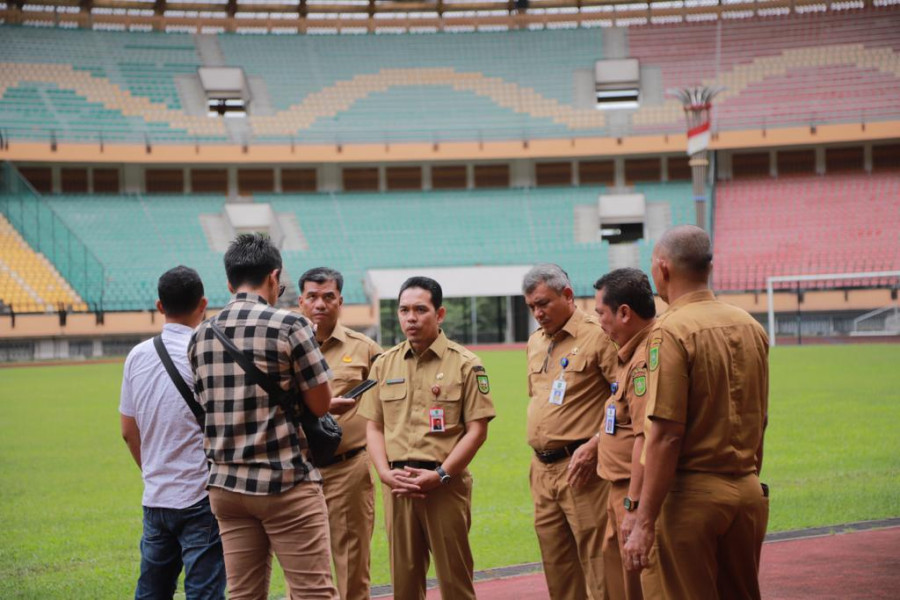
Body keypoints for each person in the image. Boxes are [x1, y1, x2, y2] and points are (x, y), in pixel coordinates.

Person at [188, 233, 339, 600]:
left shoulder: (201, 335)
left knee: (242, 593)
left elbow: (206, 406)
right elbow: (321, 404)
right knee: (313, 593)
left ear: (228, 281)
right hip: (284, 480)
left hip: (226, 486)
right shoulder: (291, 325)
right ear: (274, 277)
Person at [622, 225, 769, 600]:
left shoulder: (670, 331)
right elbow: (761, 419)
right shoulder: (750, 325)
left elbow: (666, 434)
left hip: (691, 498)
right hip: (747, 490)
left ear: (663, 269)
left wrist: (644, 519)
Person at [358, 276, 495, 600]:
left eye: (420, 309)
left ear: (440, 313)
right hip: (400, 486)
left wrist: (442, 474)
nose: (411, 317)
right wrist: (384, 473)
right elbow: (373, 426)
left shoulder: (466, 364)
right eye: (404, 310)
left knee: (455, 581)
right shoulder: (384, 364)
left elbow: (478, 430)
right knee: (403, 584)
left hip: (444, 485)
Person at [119, 265, 226, 600]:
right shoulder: (207, 353)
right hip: (201, 495)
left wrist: (152, 471)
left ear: (159, 306)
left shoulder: (136, 356)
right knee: (204, 592)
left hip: (155, 496)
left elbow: (127, 430)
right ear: (203, 304)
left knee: (151, 590)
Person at [522, 264, 619, 600]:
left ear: (567, 294)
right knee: (557, 565)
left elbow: (624, 399)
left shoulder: (598, 336)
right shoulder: (535, 343)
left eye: (544, 303)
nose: (538, 313)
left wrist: (596, 444)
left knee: (598, 562)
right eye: (532, 306)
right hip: (542, 469)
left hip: (583, 468)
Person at [296, 267, 381, 600]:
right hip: (299, 471)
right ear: (300, 301)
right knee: (301, 568)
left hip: (348, 469)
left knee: (352, 566)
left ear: (340, 301)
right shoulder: (284, 346)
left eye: (328, 296)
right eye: (313, 297)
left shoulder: (365, 349)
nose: (320, 304)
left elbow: (387, 406)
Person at [593, 268, 657, 600]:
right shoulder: (628, 353)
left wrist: (633, 506)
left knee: (639, 584)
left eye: (600, 313)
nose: (598, 322)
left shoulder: (645, 358)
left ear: (624, 313)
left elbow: (647, 437)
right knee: (617, 578)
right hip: (617, 485)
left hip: (633, 490)